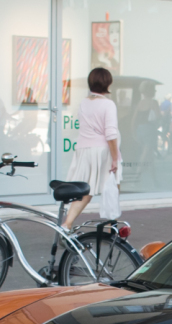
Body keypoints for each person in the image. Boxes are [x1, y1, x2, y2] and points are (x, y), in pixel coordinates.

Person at [62, 68, 121, 229]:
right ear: (108, 83)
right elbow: (110, 133)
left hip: (83, 149)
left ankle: (67, 224)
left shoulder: (83, 103)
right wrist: (115, 158)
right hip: (102, 151)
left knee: (85, 190)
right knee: (112, 186)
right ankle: (111, 228)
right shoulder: (108, 104)